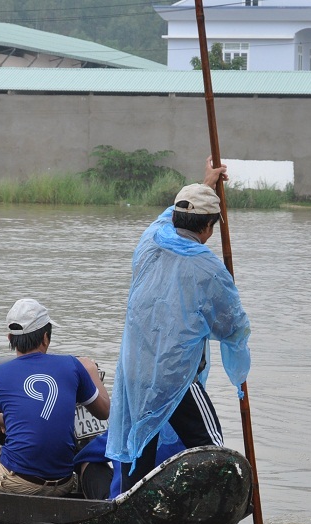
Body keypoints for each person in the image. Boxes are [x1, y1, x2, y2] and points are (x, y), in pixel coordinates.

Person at [106, 159, 251, 495]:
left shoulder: (151, 238)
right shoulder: (208, 266)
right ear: (209, 229)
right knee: (211, 446)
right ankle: (224, 499)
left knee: (138, 447)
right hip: (175, 374)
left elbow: (170, 215)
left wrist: (206, 183)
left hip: (135, 369)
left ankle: (128, 502)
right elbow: (232, 325)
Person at [0, 298, 109, 496]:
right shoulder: (72, 365)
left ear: (10, 339)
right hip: (65, 481)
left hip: (20, 483)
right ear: (45, 338)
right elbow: (104, 411)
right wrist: (91, 370)